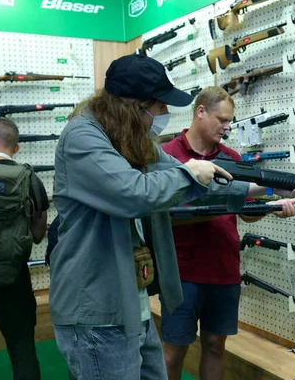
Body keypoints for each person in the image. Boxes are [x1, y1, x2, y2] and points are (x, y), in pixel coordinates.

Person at [49, 54, 249, 380]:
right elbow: (134, 194)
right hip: (96, 308)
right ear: (133, 104)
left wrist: (260, 189)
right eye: (159, 108)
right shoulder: (82, 136)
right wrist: (190, 174)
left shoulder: (129, 138)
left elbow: (188, 181)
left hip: (132, 302)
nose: (164, 116)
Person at [160, 86, 295, 380]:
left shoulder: (231, 158)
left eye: (229, 121)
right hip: (182, 272)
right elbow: (160, 214)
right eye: (221, 119)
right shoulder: (168, 155)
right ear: (200, 112)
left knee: (214, 347)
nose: (227, 126)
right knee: (172, 351)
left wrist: (275, 203)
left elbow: (245, 211)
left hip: (223, 269)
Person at [0, 118, 49, 380]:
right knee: (22, 347)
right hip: (13, 276)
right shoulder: (29, 179)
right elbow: (38, 235)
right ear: (16, 149)